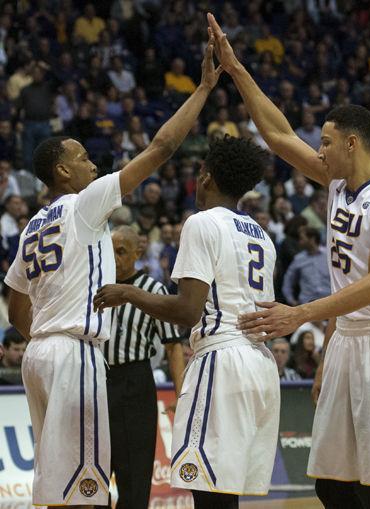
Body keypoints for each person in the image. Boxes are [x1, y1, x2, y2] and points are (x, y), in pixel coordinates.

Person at [208, 14, 370, 507]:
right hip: (347, 337)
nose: (319, 150)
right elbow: (279, 137)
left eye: (326, 142)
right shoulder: (336, 184)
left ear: (352, 143)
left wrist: (300, 314)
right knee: (330, 483)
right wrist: (236, 68)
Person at [4, 33, 223, 508]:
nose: (92, 163)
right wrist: (203, 90)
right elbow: (161, 148)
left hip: (38, 356)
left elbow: (15, 301)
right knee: (86, 489)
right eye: (82, 158)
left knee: (57, 484)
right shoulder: (84, 205)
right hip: (73, 354)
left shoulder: (30, 226)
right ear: (63, 172)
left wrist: (42, 333)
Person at [93, 135, 279, 509]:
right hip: (259, 363)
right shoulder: (263, 236)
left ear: (206, 176)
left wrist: (127, 293)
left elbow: (187, 311)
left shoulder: (202, 223)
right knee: (225, 492)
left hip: (222, 357)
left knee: (209, 494)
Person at [103, 226, 185, 509]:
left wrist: (181, 396)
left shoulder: (153, 290)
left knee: (135, 476)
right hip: (97, 382)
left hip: (135, 382)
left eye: (121, 251)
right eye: (110, 250)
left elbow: (173, 346)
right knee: (94, 474)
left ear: (138, 252)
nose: (113, 257)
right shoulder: (93, 286)